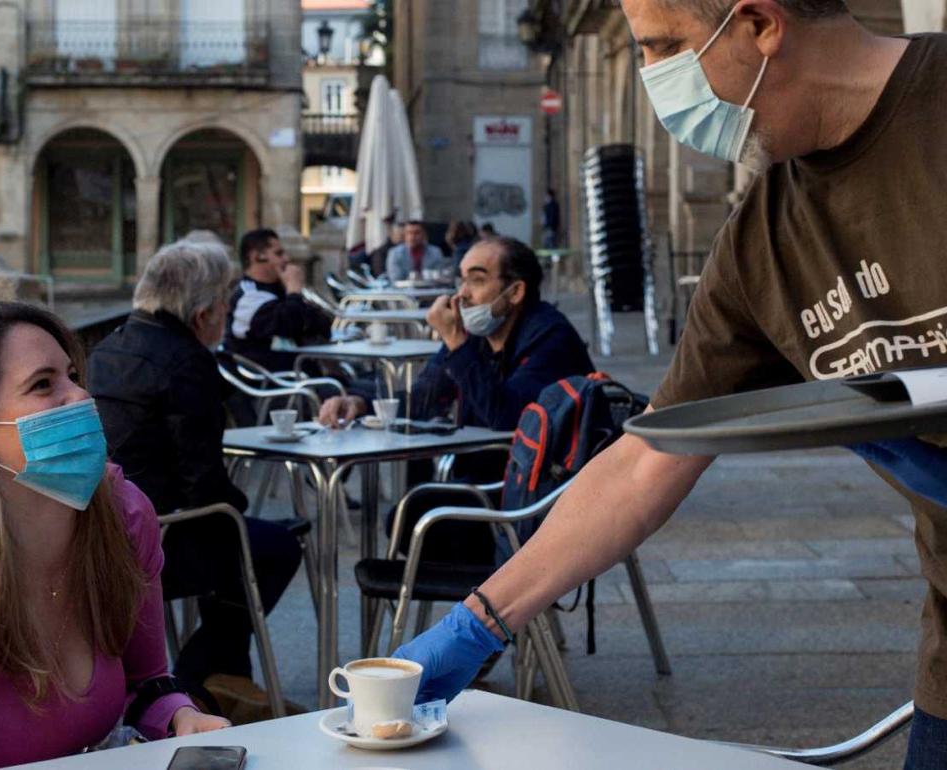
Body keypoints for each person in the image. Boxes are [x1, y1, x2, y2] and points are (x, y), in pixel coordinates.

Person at [392, 4, 947, 767]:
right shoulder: (763, 237)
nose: (655, 81)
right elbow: (647, 460)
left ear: (759, 23)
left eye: (664, 47)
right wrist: (481, 619)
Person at [0, 302, 229, 769]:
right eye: (43, 384)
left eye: (73, 375)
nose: (81, 397)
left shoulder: (125, 517)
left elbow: (147, 681)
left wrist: (181, 716)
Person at [87, 241, 304, 722]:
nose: (228, 311)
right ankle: (188, 681)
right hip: (160, 536)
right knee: (276, 546)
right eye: (226, 301)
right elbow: (202, 486)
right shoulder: (188, 361)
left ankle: (225, 684)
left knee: (245, 541)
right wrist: (238, 506)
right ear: (204, 313)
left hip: (106, 527)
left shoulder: (110, 344)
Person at [319, 237, 593, 563]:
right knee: (407, 516)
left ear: (516, 292)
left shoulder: (549, 338)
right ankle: (480, 609)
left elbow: (505, 417)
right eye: (461, 279)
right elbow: (424, 400)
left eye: (477, 280)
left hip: (532, 504)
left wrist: (455, 344)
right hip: (481, 486)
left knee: (412, 519)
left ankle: (489, 606)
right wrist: (360, 402)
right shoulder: (477, 336)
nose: (462, 293)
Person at [225, 227, 333, 373]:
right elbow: (290, 324)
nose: (286, 259)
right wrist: (294, 291)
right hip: (283, 388)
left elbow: (323, 324)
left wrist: (294, 296)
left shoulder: (280, 290)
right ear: (258, 256)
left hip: (308, 378)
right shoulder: (248, 297)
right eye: (279, 254)